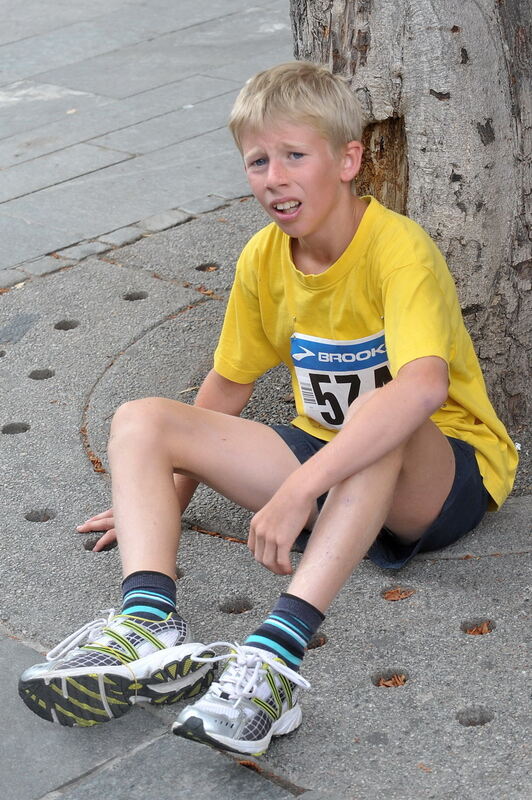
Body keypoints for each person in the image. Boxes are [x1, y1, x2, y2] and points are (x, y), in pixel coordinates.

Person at [19, 62, 517, 756]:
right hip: (327, 463)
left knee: (384, 423)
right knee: (142, 419)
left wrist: (297, 492)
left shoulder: (398, 250)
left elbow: (424, 390)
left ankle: (276, 659)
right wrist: (167, 496)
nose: (274, 177)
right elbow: (226, 389)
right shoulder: (262, 258)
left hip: (435, 478)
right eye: (258, 161)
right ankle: (147, 623)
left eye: (294, 156)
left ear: (348, 160)